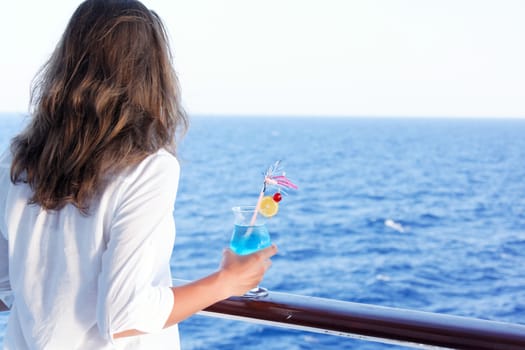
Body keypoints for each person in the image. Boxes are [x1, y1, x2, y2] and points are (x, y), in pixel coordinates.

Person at [0, 0, 277, 348]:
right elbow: (124, 316)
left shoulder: (19, 159)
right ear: (152, 72)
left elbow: (5, 284)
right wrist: (226, 282)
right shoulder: (148, 170)